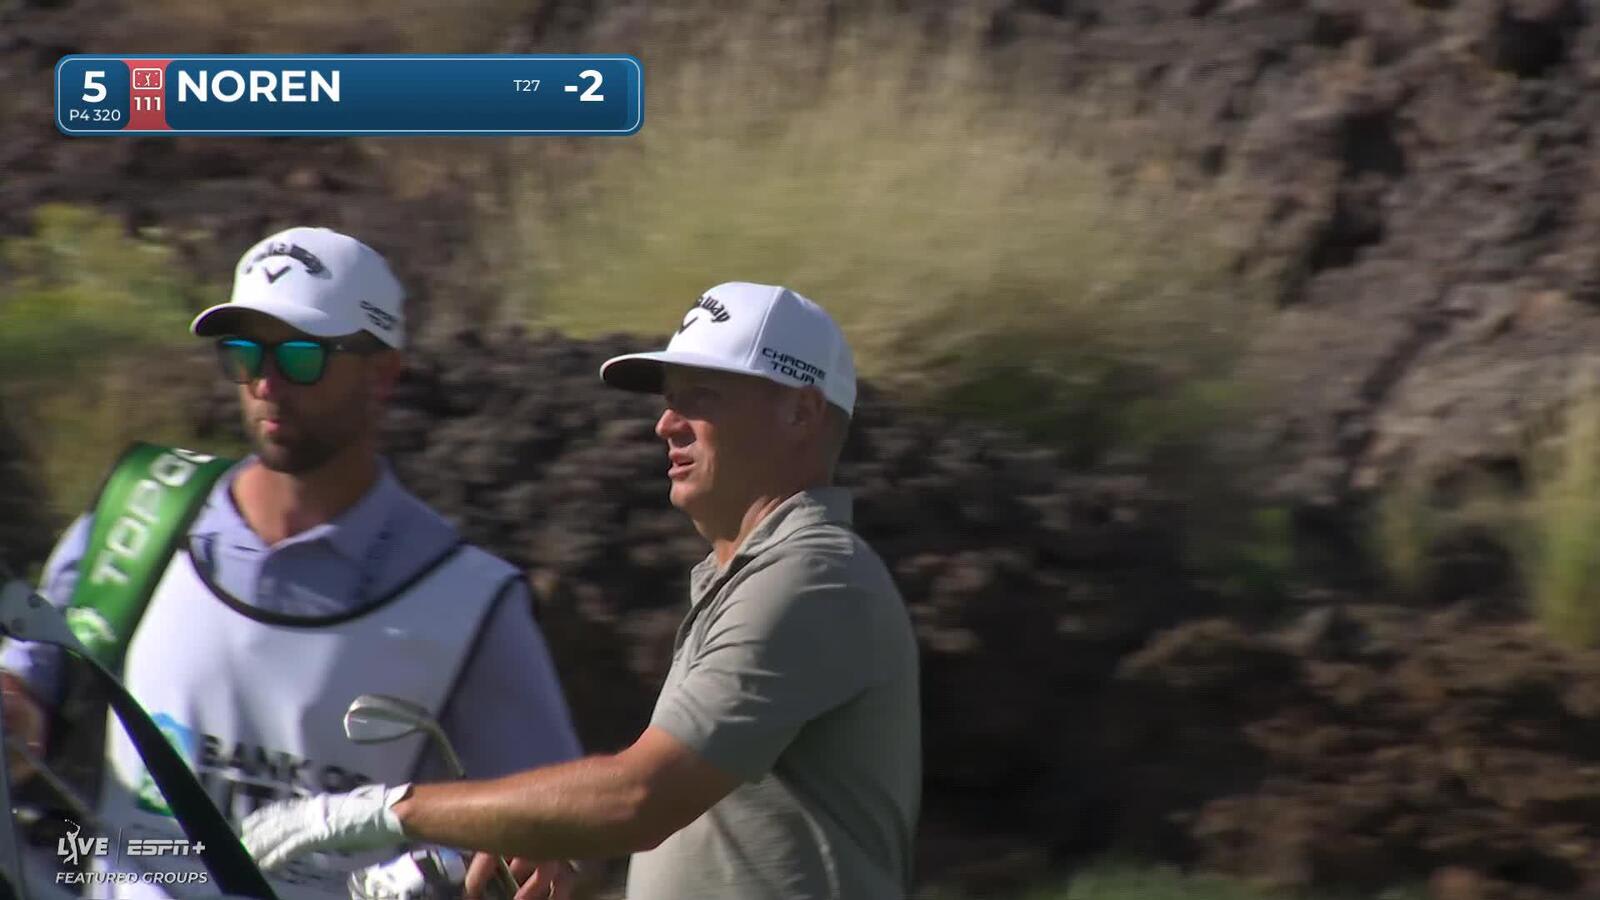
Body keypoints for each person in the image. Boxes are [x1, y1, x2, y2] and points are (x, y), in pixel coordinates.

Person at [238, 281, 924, 900]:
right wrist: (558, 836)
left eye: (703, 397)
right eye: (669, 399)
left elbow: (638, 795)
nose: (666, 423)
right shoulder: (757, 575)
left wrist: (377, 812)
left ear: (801, 412)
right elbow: (675, 811)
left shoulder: (811, 575)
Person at [0, 226, 583, 899]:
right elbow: (29, 686)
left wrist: (447, 868)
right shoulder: (142, 512)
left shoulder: (470, 602)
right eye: (245, 354)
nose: (267, 382)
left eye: (301, 355)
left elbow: (554, 830)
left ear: (383, 372)